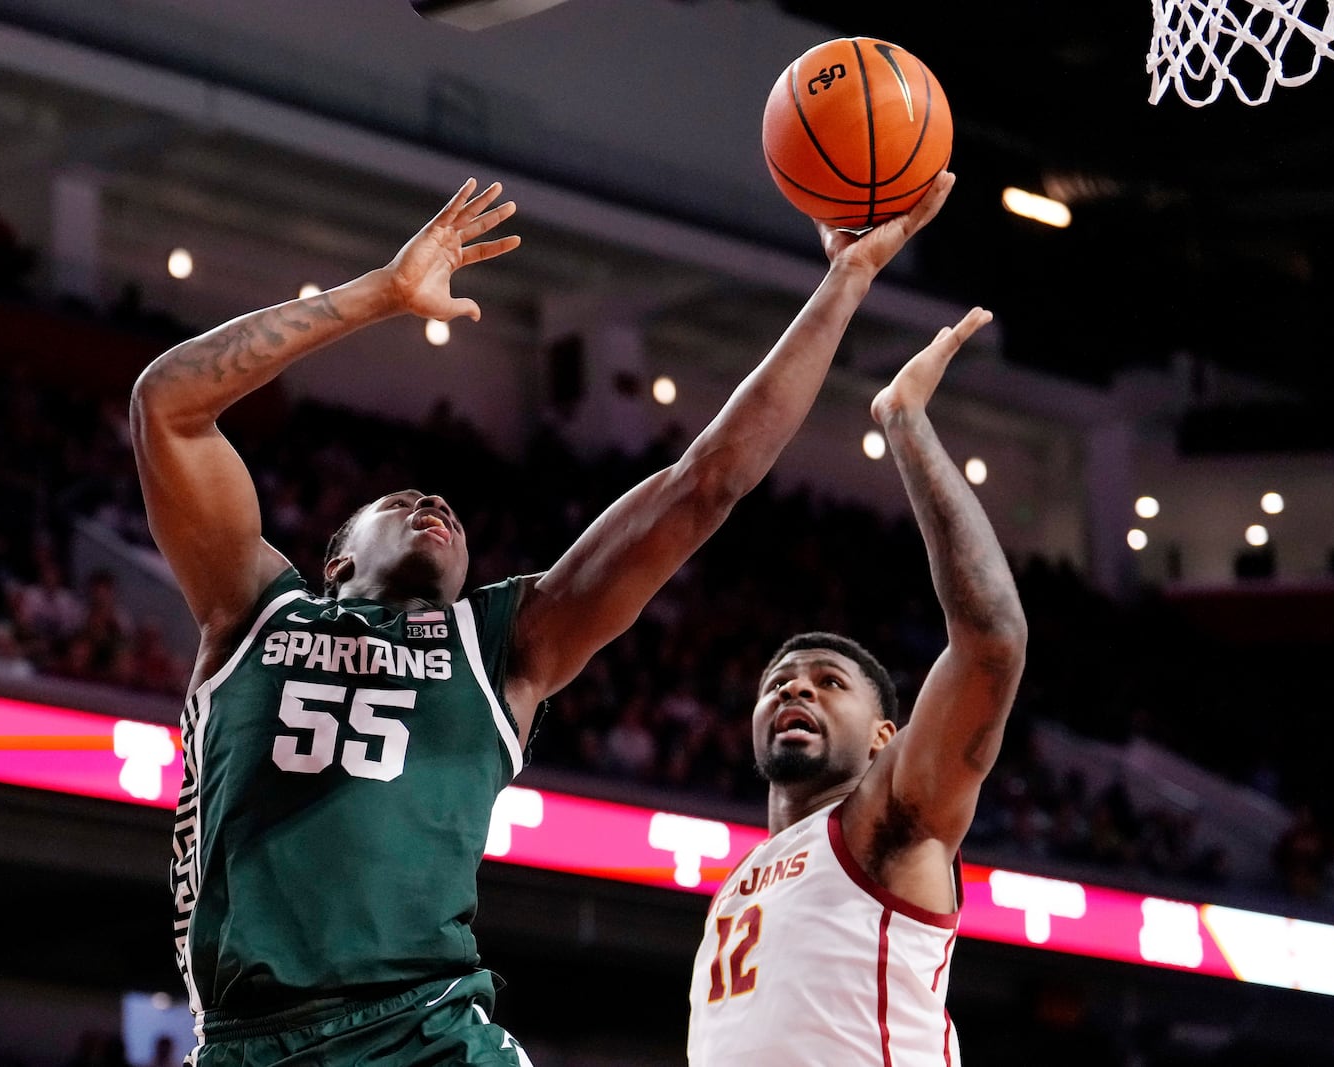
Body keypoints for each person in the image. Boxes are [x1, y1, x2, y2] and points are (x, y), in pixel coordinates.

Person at [129, 173, 955, 1065]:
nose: (435, 504)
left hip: (428, 1029)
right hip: (251, 1038)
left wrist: (844, 284)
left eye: (446, 505)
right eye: (405, 498)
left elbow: (702, 484)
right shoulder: (249, 607)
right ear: (337, 558)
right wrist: (380, 293)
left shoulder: (500, 645)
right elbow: (168, 408)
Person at [686, 308, 1027, 1065]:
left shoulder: (890, 816)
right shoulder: (743, 879)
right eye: (778, 682)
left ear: (885, 737)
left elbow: (994, 639)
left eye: (827, 681)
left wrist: (907, 425)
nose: (793, 691)